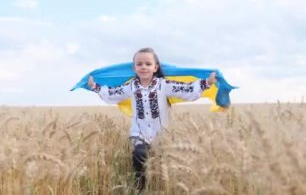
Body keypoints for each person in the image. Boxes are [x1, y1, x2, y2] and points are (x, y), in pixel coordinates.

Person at [88, 47, 217, 192]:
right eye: (139, 64)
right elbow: (113, 94)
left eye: (148, 64)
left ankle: (161, 187)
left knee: (163, 163)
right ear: (134, 68)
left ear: (155, 67)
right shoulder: (131, 87)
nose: (144, 67)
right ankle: (140, 188)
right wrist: (96, 87)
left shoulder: (164, 85)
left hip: (161, 134)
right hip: (139, 133)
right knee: (139, 154)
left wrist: (207, 83)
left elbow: (185, 90)